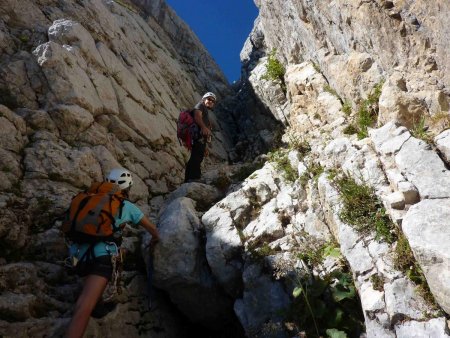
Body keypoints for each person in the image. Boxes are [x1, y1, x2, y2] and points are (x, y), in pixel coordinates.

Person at [66, 168, 160, 338]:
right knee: (83, 307)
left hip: (75, 255)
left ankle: (97, 303)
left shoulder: (87, 198)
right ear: (127, 188)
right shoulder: (126, 205)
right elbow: (153, 229)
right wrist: (154, 239)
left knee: (89, 289)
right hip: (101, 257)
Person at [184, 91, 216, 183]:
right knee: (197, 156)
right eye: (209, 99)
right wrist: (203, 127)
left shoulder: (204, 109)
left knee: (197, 155)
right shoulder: (200, 105)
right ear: (204, 99)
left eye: (213, 101)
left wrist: (205, 147)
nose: (211, 102)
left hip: (199, 137)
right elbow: (197, 116)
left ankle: (188, 179)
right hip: (197, 135)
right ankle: (194, 178)